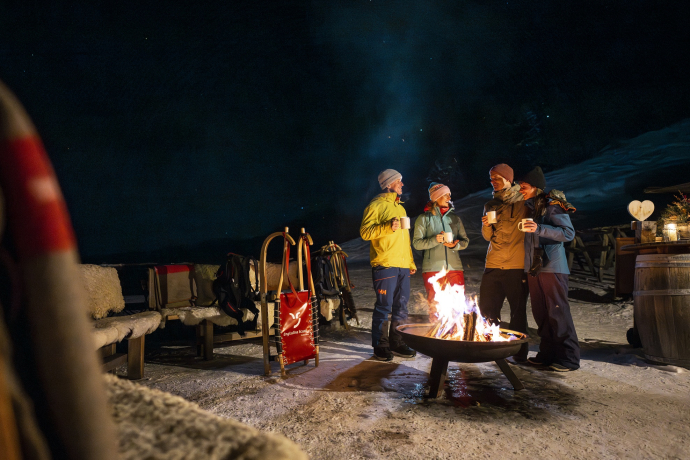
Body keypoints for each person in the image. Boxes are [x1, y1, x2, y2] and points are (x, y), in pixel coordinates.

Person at [518, 166, 580, 372]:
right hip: (535, 267)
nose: (520, 189)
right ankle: (547, 354)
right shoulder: (530, 206)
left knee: (557, 311)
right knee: (541, 312)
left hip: (553, 266)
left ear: (536, 187)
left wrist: (540, 228)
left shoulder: (552, 206)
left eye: (524, 186)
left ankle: (569, 358)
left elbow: (568, 233)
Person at [360, 169, 418, 361]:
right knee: (384, 307)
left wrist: (410, 261)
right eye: (399, 181)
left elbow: (405, 239)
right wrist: (387, 226)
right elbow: (365, 233)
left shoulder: (400, 208)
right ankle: (380, 345)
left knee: (401, 306)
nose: (402, 184)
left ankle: (397, 342)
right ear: (389, 184)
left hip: (402, 265)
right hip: (385, 264)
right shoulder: (375, 205)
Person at [478, 163, 529, 361]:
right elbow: (487, 237)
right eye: (491, 179)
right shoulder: (491, 205)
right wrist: (486, 225)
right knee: (488, 309)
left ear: (508, 179)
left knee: (517, 312)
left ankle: (519, 353)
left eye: (497, 179)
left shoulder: (523, 201)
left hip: (516, 265)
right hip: (493, 263)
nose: (493, 183)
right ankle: (489, 349)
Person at [412, 182, 469, 319]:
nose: (449, 198)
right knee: (435, 306)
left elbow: (465, 241)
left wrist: (456, 245)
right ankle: (437, 336)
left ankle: (456, 335)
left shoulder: (454, 218)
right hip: (433, 268)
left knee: (457, 305)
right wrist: (434, 240)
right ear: (435, 198)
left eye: (449, 195)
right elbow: (417, 244)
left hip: (455, 267)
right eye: (445, 195)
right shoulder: (424, 219)